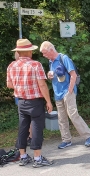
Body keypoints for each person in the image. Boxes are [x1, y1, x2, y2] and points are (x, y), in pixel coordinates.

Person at [40, 41, 90, 149]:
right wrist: (49, 75)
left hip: (67, 92)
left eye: (45, 53)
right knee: (61, 118)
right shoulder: (51, 62)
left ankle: (89, 135)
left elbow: (73, 75)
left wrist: (70, 90)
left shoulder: (64, 58)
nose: (43, 55)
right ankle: (66, 140)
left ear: (51, 50)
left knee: (73, 115)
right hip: (57, 93)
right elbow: (53, 74)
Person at [7, 39, 53, 167]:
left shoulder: (12, 65)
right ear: (27, 51)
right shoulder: (35, 65)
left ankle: (23, 157)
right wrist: (48, 101)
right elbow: (42, 85)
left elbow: (9, 84)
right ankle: (37, 159)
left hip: (21, 102)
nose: (32, 52)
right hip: (35, 102)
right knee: (37, 128)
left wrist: (20, 86)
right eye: (31, 50)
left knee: (23, 128)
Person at [13, 51, 33, 146]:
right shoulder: (16, 66)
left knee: (28, 117)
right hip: (19, 95)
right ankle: (28, 136)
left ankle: (31, 137)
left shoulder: (28, 65)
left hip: (26, 96)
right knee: (25, 118)